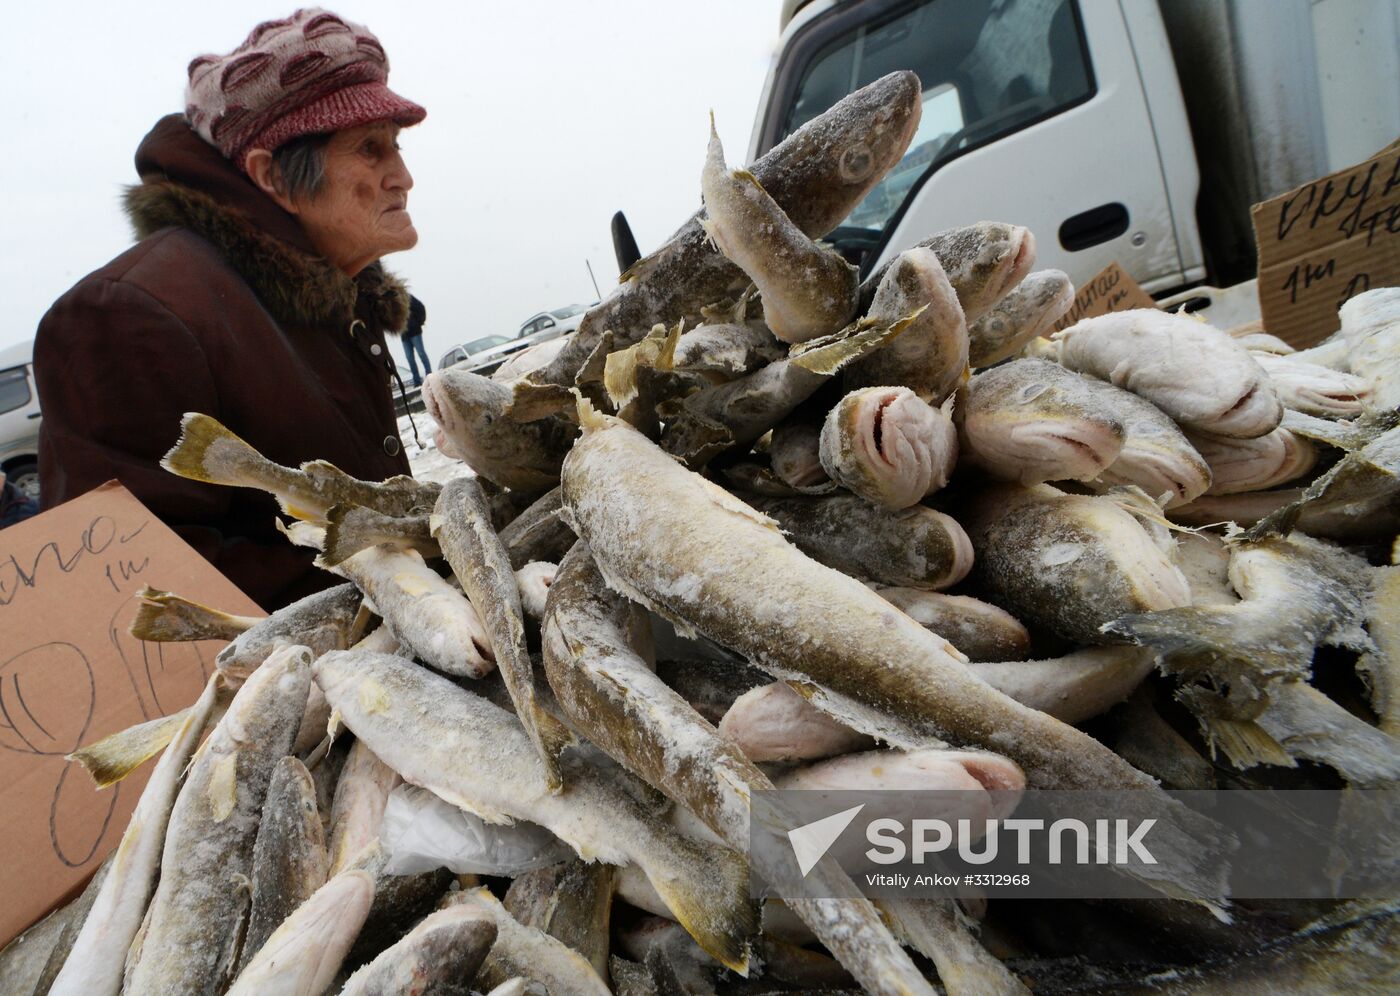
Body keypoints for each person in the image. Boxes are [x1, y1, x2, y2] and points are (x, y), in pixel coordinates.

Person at [34, 8, 425, 610]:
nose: (403, 177)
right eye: (371, 150)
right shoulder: (130, 314)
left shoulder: (334, 289)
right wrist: (393, 598)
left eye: (395, 146)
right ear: (271, 175)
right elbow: (134, 585)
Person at [401, 293, 431, 386]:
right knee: (410, 358)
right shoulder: (391, 301)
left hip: (415, 331)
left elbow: (421, 307)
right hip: (404, 334)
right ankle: (417, 381)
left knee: (421, 354)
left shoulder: (407, 297)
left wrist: (419, 322)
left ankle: (429, 376)